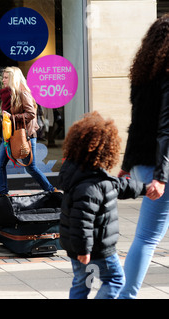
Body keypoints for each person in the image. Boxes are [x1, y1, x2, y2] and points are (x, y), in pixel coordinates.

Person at [58, 112, 146, 299]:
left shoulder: (81, 175)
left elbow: (121, 186)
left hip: (79, 247)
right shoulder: (93, 185)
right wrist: (84, 250)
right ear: (107, 151)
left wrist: (145, 189)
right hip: (95, 248)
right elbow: (82, 221)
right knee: (115, 280)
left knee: (82, 283)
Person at [117, 14, 169, 299]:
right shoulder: (166, 78)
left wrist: (126, 166)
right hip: (160, 169)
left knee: (148, 235)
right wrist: (161, 178)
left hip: (142, 164)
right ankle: (126, 295)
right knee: (147, 237)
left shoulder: (142, 76)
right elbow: (166, 131)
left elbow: (135, 124)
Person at [0, 66, 55, 194]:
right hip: (9, 135)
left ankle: (51, 190)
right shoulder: (7, 94)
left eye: (6, 77)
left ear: (13, 79)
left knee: (31, 168)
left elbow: (31, 114)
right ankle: (3, 194)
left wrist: (12, 117)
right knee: (0, 166)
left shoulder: (23, 92)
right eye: (3, 77)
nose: (3, 80)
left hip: (24, 136)